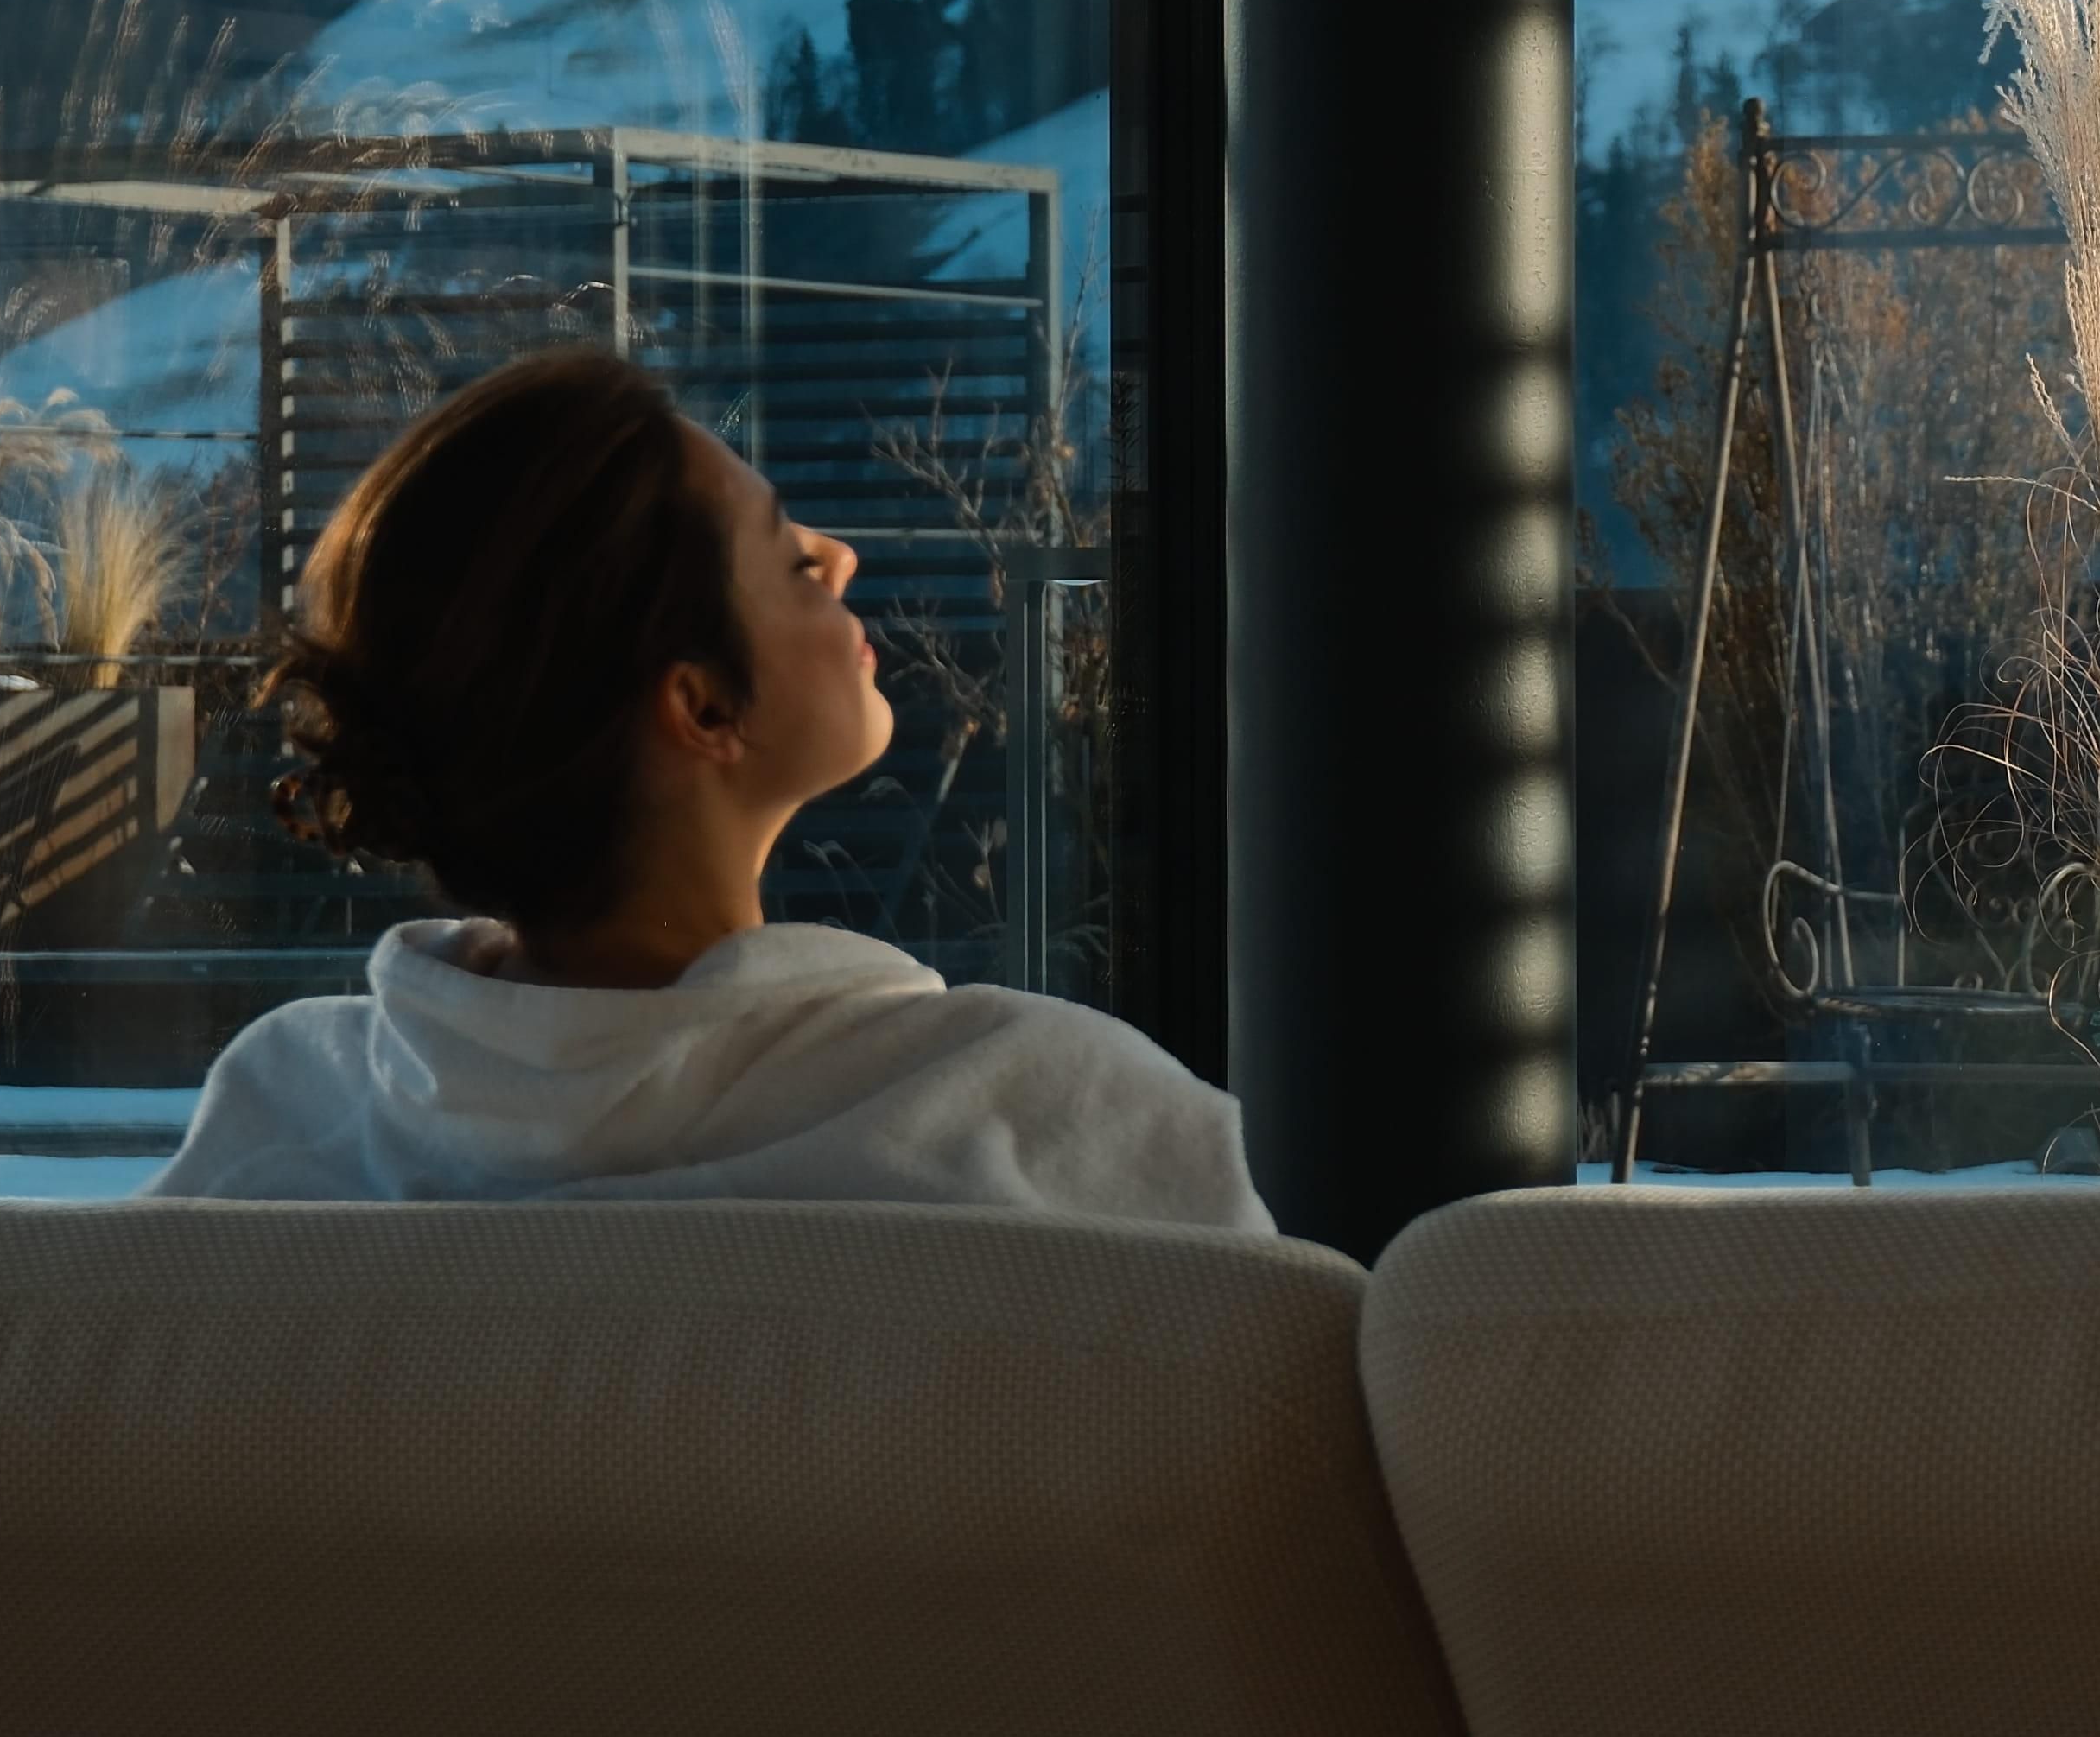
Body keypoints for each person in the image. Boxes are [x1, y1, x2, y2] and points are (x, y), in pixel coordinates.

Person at [149, 346, 1266, 1228]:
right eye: (790, 560)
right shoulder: (1049, 1126)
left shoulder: (285, 1127)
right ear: (705, 710)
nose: (840, 561)